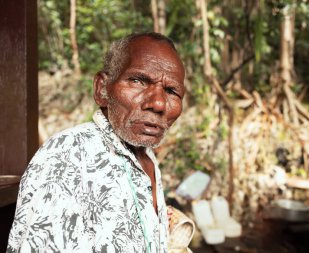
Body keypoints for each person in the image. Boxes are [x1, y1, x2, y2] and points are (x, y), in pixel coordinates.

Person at [7, 32, 186, 253]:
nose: (158, 103)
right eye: (138, 81)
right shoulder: (68, 155)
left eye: (171, 91)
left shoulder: (146, 157)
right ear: (102, 88)